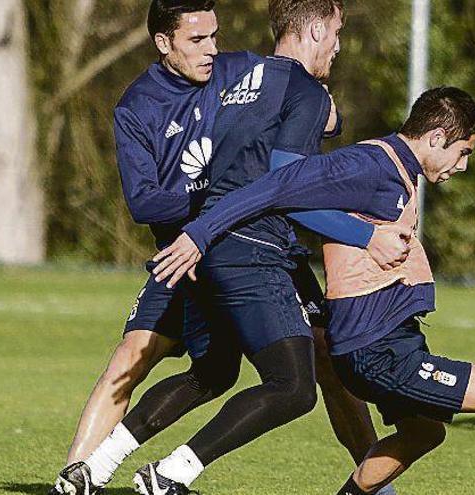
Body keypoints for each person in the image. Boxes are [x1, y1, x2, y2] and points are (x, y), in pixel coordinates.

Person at [154, 87, 475, 494]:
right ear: (435, 137)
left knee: (424, 432)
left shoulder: (396, 170)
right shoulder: (369, 166)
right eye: (463, 152)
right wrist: (199, 235)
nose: (463, 166)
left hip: (391, 344)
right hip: (377, 353)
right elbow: (276, 187)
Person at [50, 1, 405, 494]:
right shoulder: (139, 107)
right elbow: (148, 201)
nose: (212, 49)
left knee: (266, 361)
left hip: (230, 243)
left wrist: (320, 114)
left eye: (215, 36)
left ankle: (373, 484)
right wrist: (222, 198)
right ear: (163, 43)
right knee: (145, 355)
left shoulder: (240, 70)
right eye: (197, 40)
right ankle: (92, 473)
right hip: (203, 246)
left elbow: (310, 106)